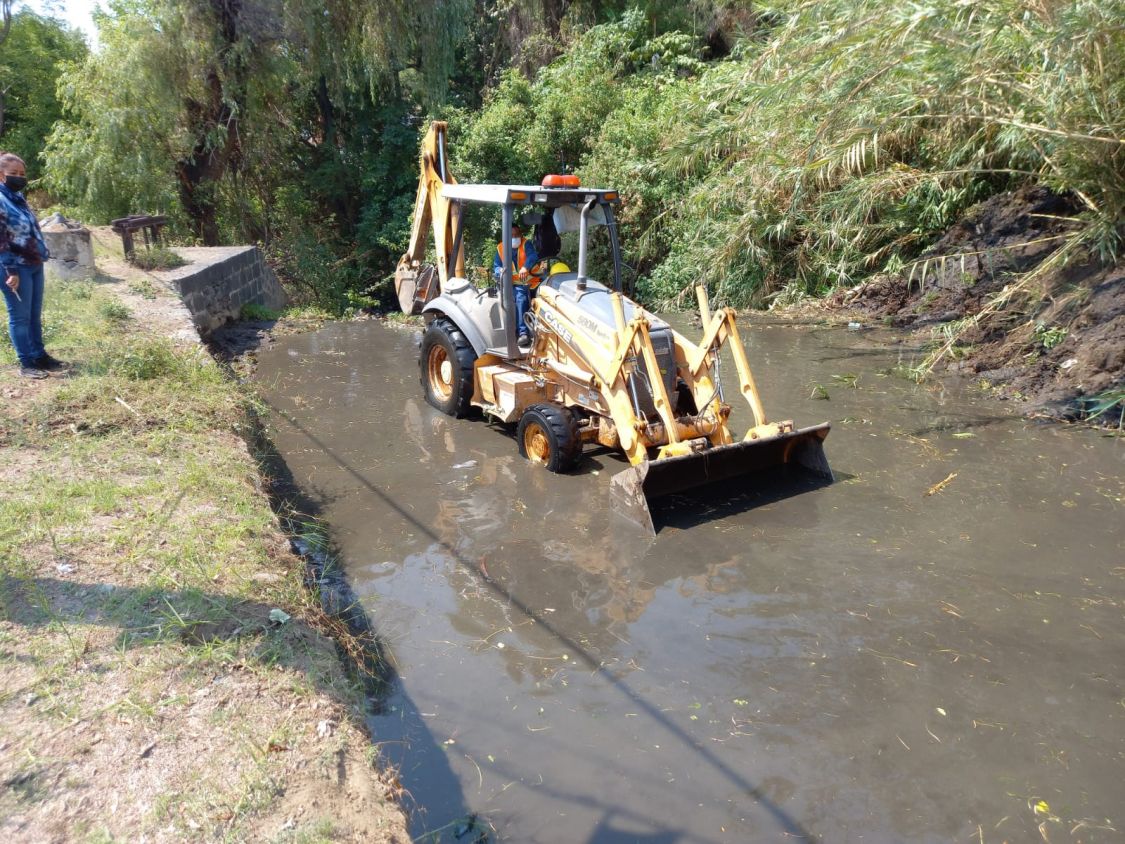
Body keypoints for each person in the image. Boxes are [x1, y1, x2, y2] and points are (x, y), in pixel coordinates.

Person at [0, 152, 59, 379]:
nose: (19, 177)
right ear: (1, 175)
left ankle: (39, 355)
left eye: (22, 173)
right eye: (13, 173)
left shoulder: (19, 197)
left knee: (34, 315)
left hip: (33, 263)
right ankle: (26, 363)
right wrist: (10, 270)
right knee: (20, 317)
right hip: (14, 267)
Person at [492, 223, 539, 349]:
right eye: (512, 235)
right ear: (506, 236)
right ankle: (511, 332)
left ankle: (523, 333)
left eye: (517, 235)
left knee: (520, 298)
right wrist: (500, 271)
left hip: (527, 283)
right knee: (509, 299)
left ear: (521, 234)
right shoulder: (500, 248)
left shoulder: (526, 244)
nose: (515, 237)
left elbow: (533, 256)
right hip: (508, 284)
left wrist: (525, 267)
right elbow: (496, 266)